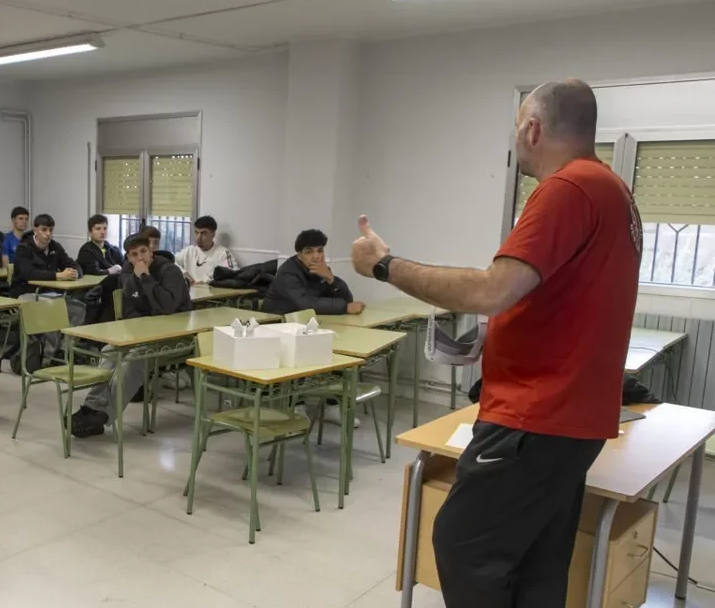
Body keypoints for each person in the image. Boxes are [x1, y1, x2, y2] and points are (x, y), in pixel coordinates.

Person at [349, 79, 640, 608]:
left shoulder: (566, 189)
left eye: (516, 129)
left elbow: (491, 289)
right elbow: (563, 299)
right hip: (576, 416)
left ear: (532, 128)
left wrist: (385, 265)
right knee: (538, 559)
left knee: (463, 545)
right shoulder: (613, 190)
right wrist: (500, 336)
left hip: (536, 417)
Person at [70, 234, 192, 437]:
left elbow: (167, 307)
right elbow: (128, 310)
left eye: (144, 251)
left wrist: (145, 277)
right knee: (109, 351)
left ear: (151, 250)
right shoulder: (128, 274)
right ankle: (92, 407)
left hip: (177, 337)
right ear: (128, 258)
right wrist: (142, 325)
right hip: (144, 334)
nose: (140, 258)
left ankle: (103, 413)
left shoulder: (169, 271)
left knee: (136, 358)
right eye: (134, 255)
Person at [263, 229, 366, 427]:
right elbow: (306, 303)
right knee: (303, 351)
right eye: (309, 251)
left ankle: (332, 405)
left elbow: (346, 299)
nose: (316, 256)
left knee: (338, 349)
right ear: (299, 254)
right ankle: (297, 405)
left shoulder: (320, 269)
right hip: (278, 327)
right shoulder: (288, 272)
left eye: (320, 250)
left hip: (306, 325)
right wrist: (344, 308)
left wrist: (331, 279)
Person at [9, 214, 82, 298]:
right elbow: (28, 273)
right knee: (61, 306)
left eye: (51, 230)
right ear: (35, 230)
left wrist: (74, 273)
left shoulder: (55, 246)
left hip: (49, 291)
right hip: (25, 292)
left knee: (77, 303)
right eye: (44, 230)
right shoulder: (23, 248)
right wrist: (58, 275)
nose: (48, 233)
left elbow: (72, 264)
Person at [175, 215, 238, 284]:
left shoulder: (223, 253)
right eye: (196, 232)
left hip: (213, 292)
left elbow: (233, 273)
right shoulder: (189, 251)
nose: (198, 238)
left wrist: (207, 281)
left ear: (213, 234)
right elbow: (171, 262)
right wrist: (184, 273)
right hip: (191, 293)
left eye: (203, 233)